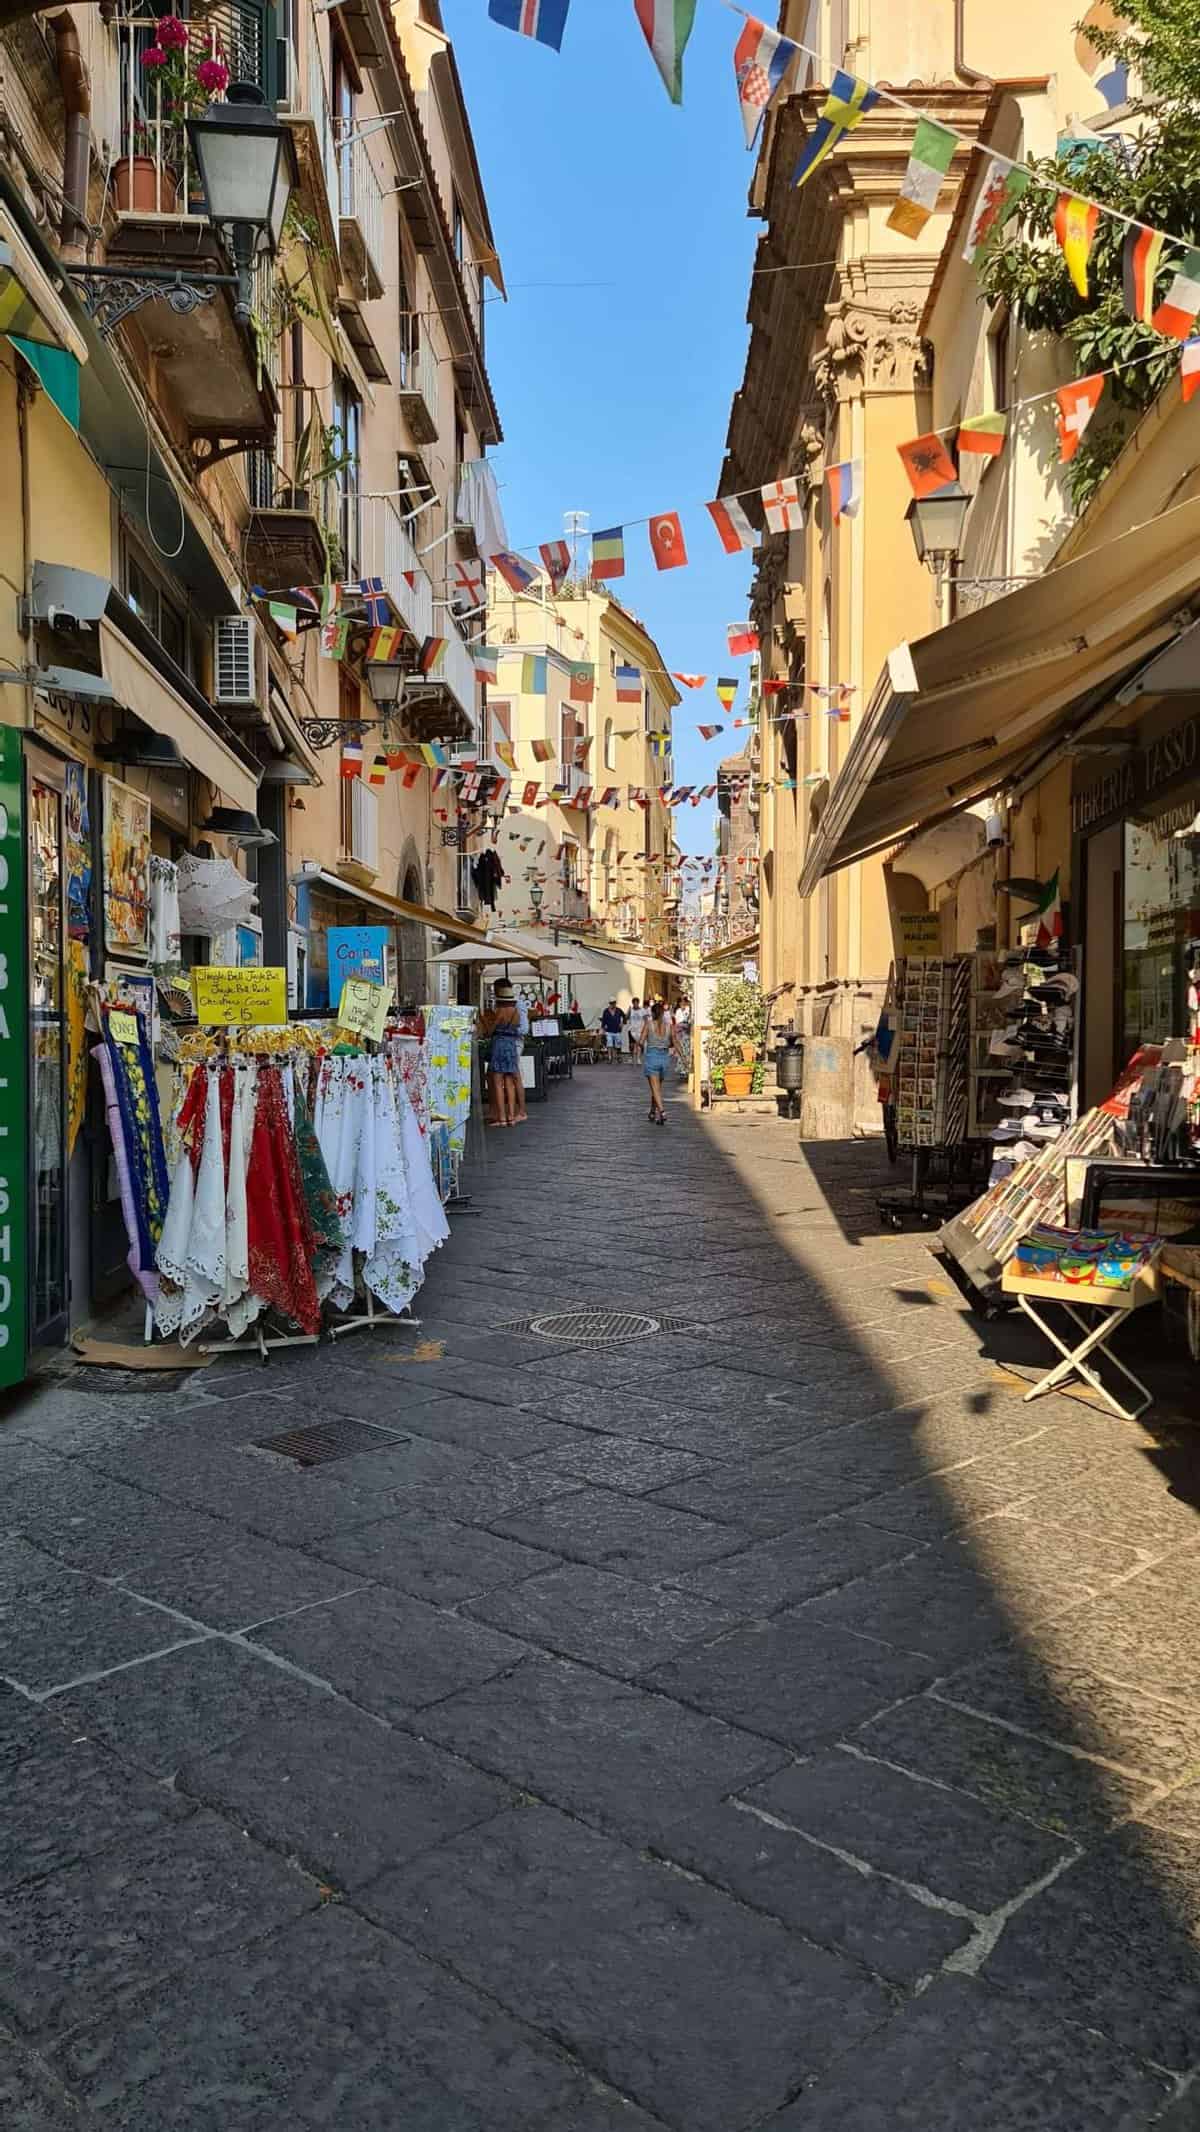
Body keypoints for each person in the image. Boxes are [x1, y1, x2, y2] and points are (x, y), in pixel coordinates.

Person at [481, 982, 526, 1126]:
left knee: (498, 1082)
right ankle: (511, 1117)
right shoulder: (516, 1013)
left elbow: (490, 1031)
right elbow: (519, 1029)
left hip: (499, 1045)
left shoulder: (500, 1012)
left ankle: (501, 1118)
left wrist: (483, 1020)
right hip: (511, 1046)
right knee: (510, 1082)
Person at [637, 997, 677, 1125]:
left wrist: (639, 1045)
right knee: (657, 1088)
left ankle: (663, 1112)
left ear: (653, 1013)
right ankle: (653, 1112)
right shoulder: (669, 1026)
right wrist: (684, 1058)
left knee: (655, 1089)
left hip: (652, 1058)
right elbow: (673, 1043)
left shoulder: (649, 1025)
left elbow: (642, 1042)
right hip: (664, 1059)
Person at [627, 996, 647, 1062]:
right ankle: (631, 1057)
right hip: (631, 1030)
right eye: (634, 1003)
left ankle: (638, 1058)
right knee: (631, 1045)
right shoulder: (630, 1010)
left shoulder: (642, 1010)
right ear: (632, 1003)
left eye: (636, 1003)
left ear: (638, 1003)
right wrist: (629, 1012)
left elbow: (646, 1020)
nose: (635, 1004)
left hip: (640, 1030)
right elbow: (626, 1018)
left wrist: (645, 1028)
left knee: (639, 1045)